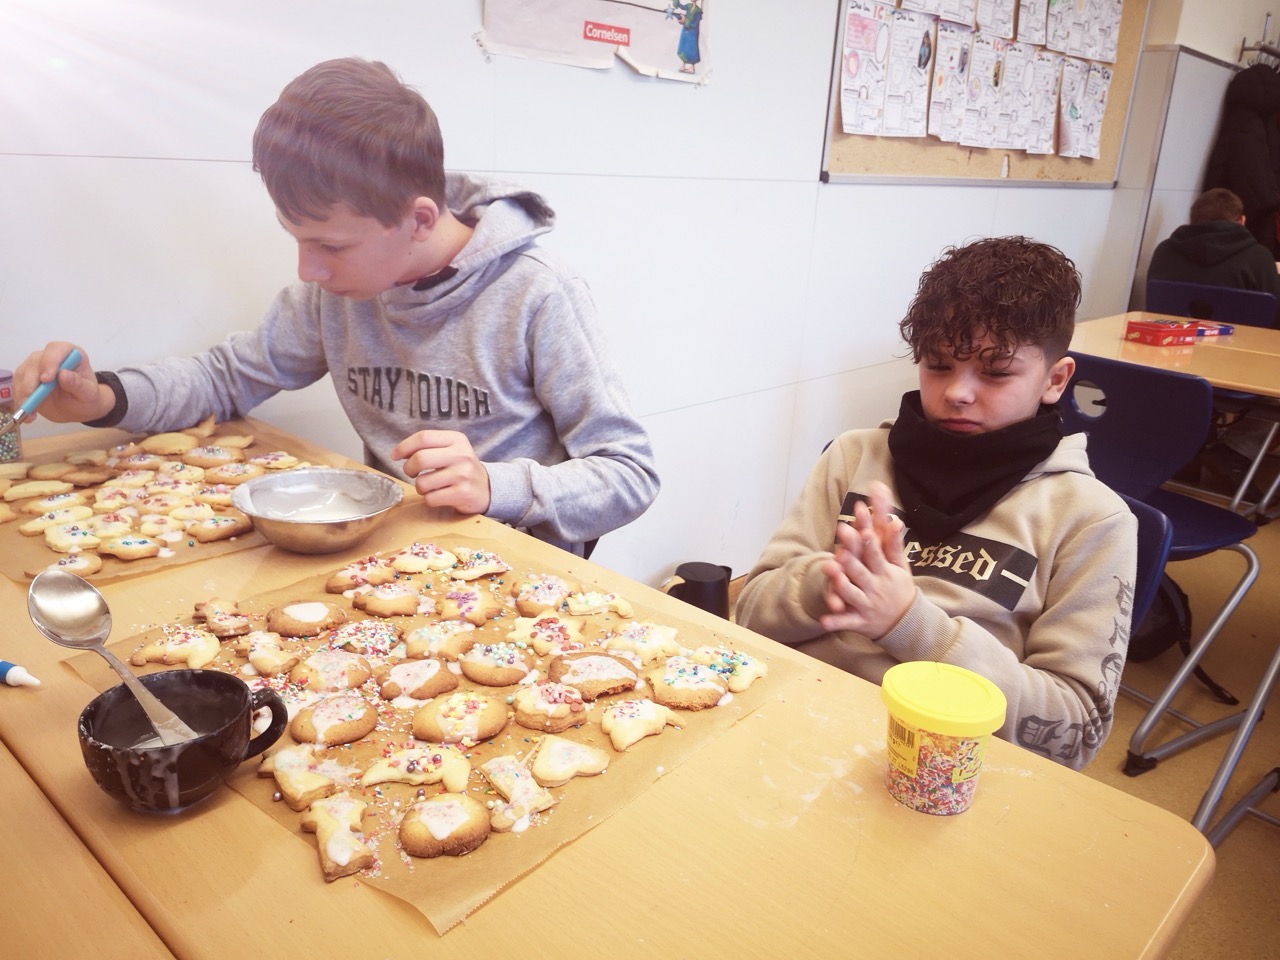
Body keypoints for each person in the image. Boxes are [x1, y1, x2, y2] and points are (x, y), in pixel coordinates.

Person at [15, 58, 659, 556]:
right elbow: (226, 378)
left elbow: (629, 474)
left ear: (419, 219)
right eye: (296, 239)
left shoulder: (538, 293)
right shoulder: (336, 296)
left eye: (331, 246)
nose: (308, 271)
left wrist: (499, 486)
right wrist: (103, 398)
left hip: (523, 569)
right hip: (389, 554)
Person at [735, 236, 1137, 771]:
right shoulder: (855, 456)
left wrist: (910, 624)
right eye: (938, 365)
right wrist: (830, 582)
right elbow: (749, 614)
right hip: (793, 728)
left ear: (1055, 380)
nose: (957, 393)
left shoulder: (1089, 518)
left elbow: (1073, 733)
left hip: (943, 770)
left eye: (996, 372)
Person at [1147, 187, 1280, 322]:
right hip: (1239, 335)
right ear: (1241, 221)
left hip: (1172, 333)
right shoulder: (1259, 257)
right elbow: (1273, 314)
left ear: (1193, 219)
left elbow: (1153, 306)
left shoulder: (1164, 251)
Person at [1204, 63, 1280, 258]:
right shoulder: (1253, 121)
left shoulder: (1252, 117)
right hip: (1248, 216)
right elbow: (1255, 182)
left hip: (1230, 208)